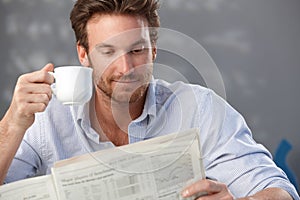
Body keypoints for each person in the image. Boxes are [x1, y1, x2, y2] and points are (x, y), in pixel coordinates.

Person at [0, 0, 299, 199]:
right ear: (83, 54)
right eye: (108, 52)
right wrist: (13, 123)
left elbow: (280, 192)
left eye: (137, 50)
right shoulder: (43, 117)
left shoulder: (200, 109)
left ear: (154, 50)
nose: (126, 68)